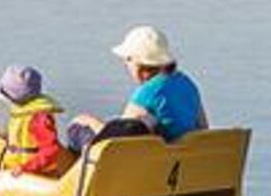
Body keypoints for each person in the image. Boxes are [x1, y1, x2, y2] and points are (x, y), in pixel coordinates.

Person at [71, 25, 207, 147]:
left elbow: (118, 136)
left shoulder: (148, 93)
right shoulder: (187, 83)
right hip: (181, 157)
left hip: (153, 160)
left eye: (127, 60)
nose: (125, 64)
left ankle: (76, 170)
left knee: (79, 126)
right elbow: (203, 127)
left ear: (137, 62)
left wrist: (90, 122)